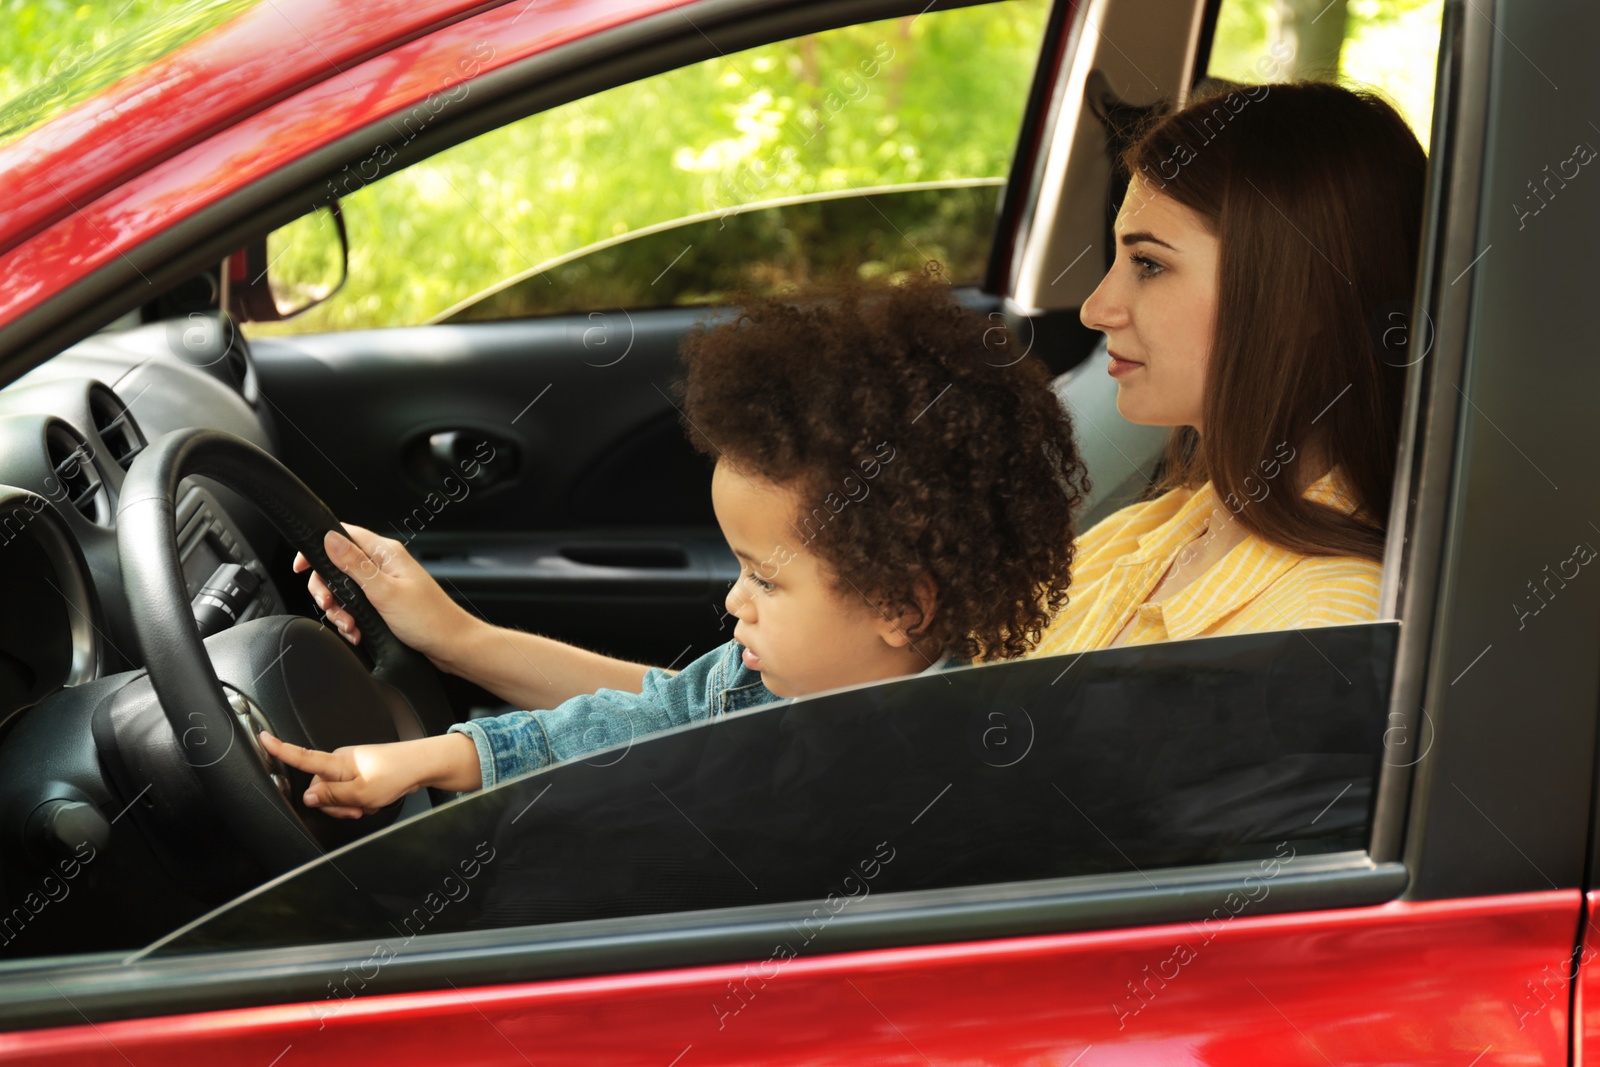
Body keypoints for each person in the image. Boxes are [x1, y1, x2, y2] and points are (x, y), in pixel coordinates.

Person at [260, 275, 1089, 817]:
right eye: (738, 567)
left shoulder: (957, 784)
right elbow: (641, 717)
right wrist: (433, 749)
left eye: (764, 578)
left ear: (901, 605)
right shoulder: (758, 684)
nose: (734, 599)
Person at [1032, 80, 1427, 653]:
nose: (1097, 310)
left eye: (1148, 264)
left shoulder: (1325, 625)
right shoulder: (1143, 534)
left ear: (1299, 299)